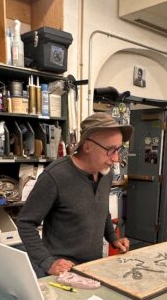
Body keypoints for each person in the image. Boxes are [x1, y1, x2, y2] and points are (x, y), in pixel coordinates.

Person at [17, 112, 132, 277]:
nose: (115, 158)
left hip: (93, 267)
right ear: (87, 146)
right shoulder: (55, 176)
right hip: (62, 274)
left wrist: (113, 237)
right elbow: (25, 222)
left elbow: (101, 208)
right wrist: (46, 261)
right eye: (110, 150)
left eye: (119, 149)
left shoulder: (106, 173)